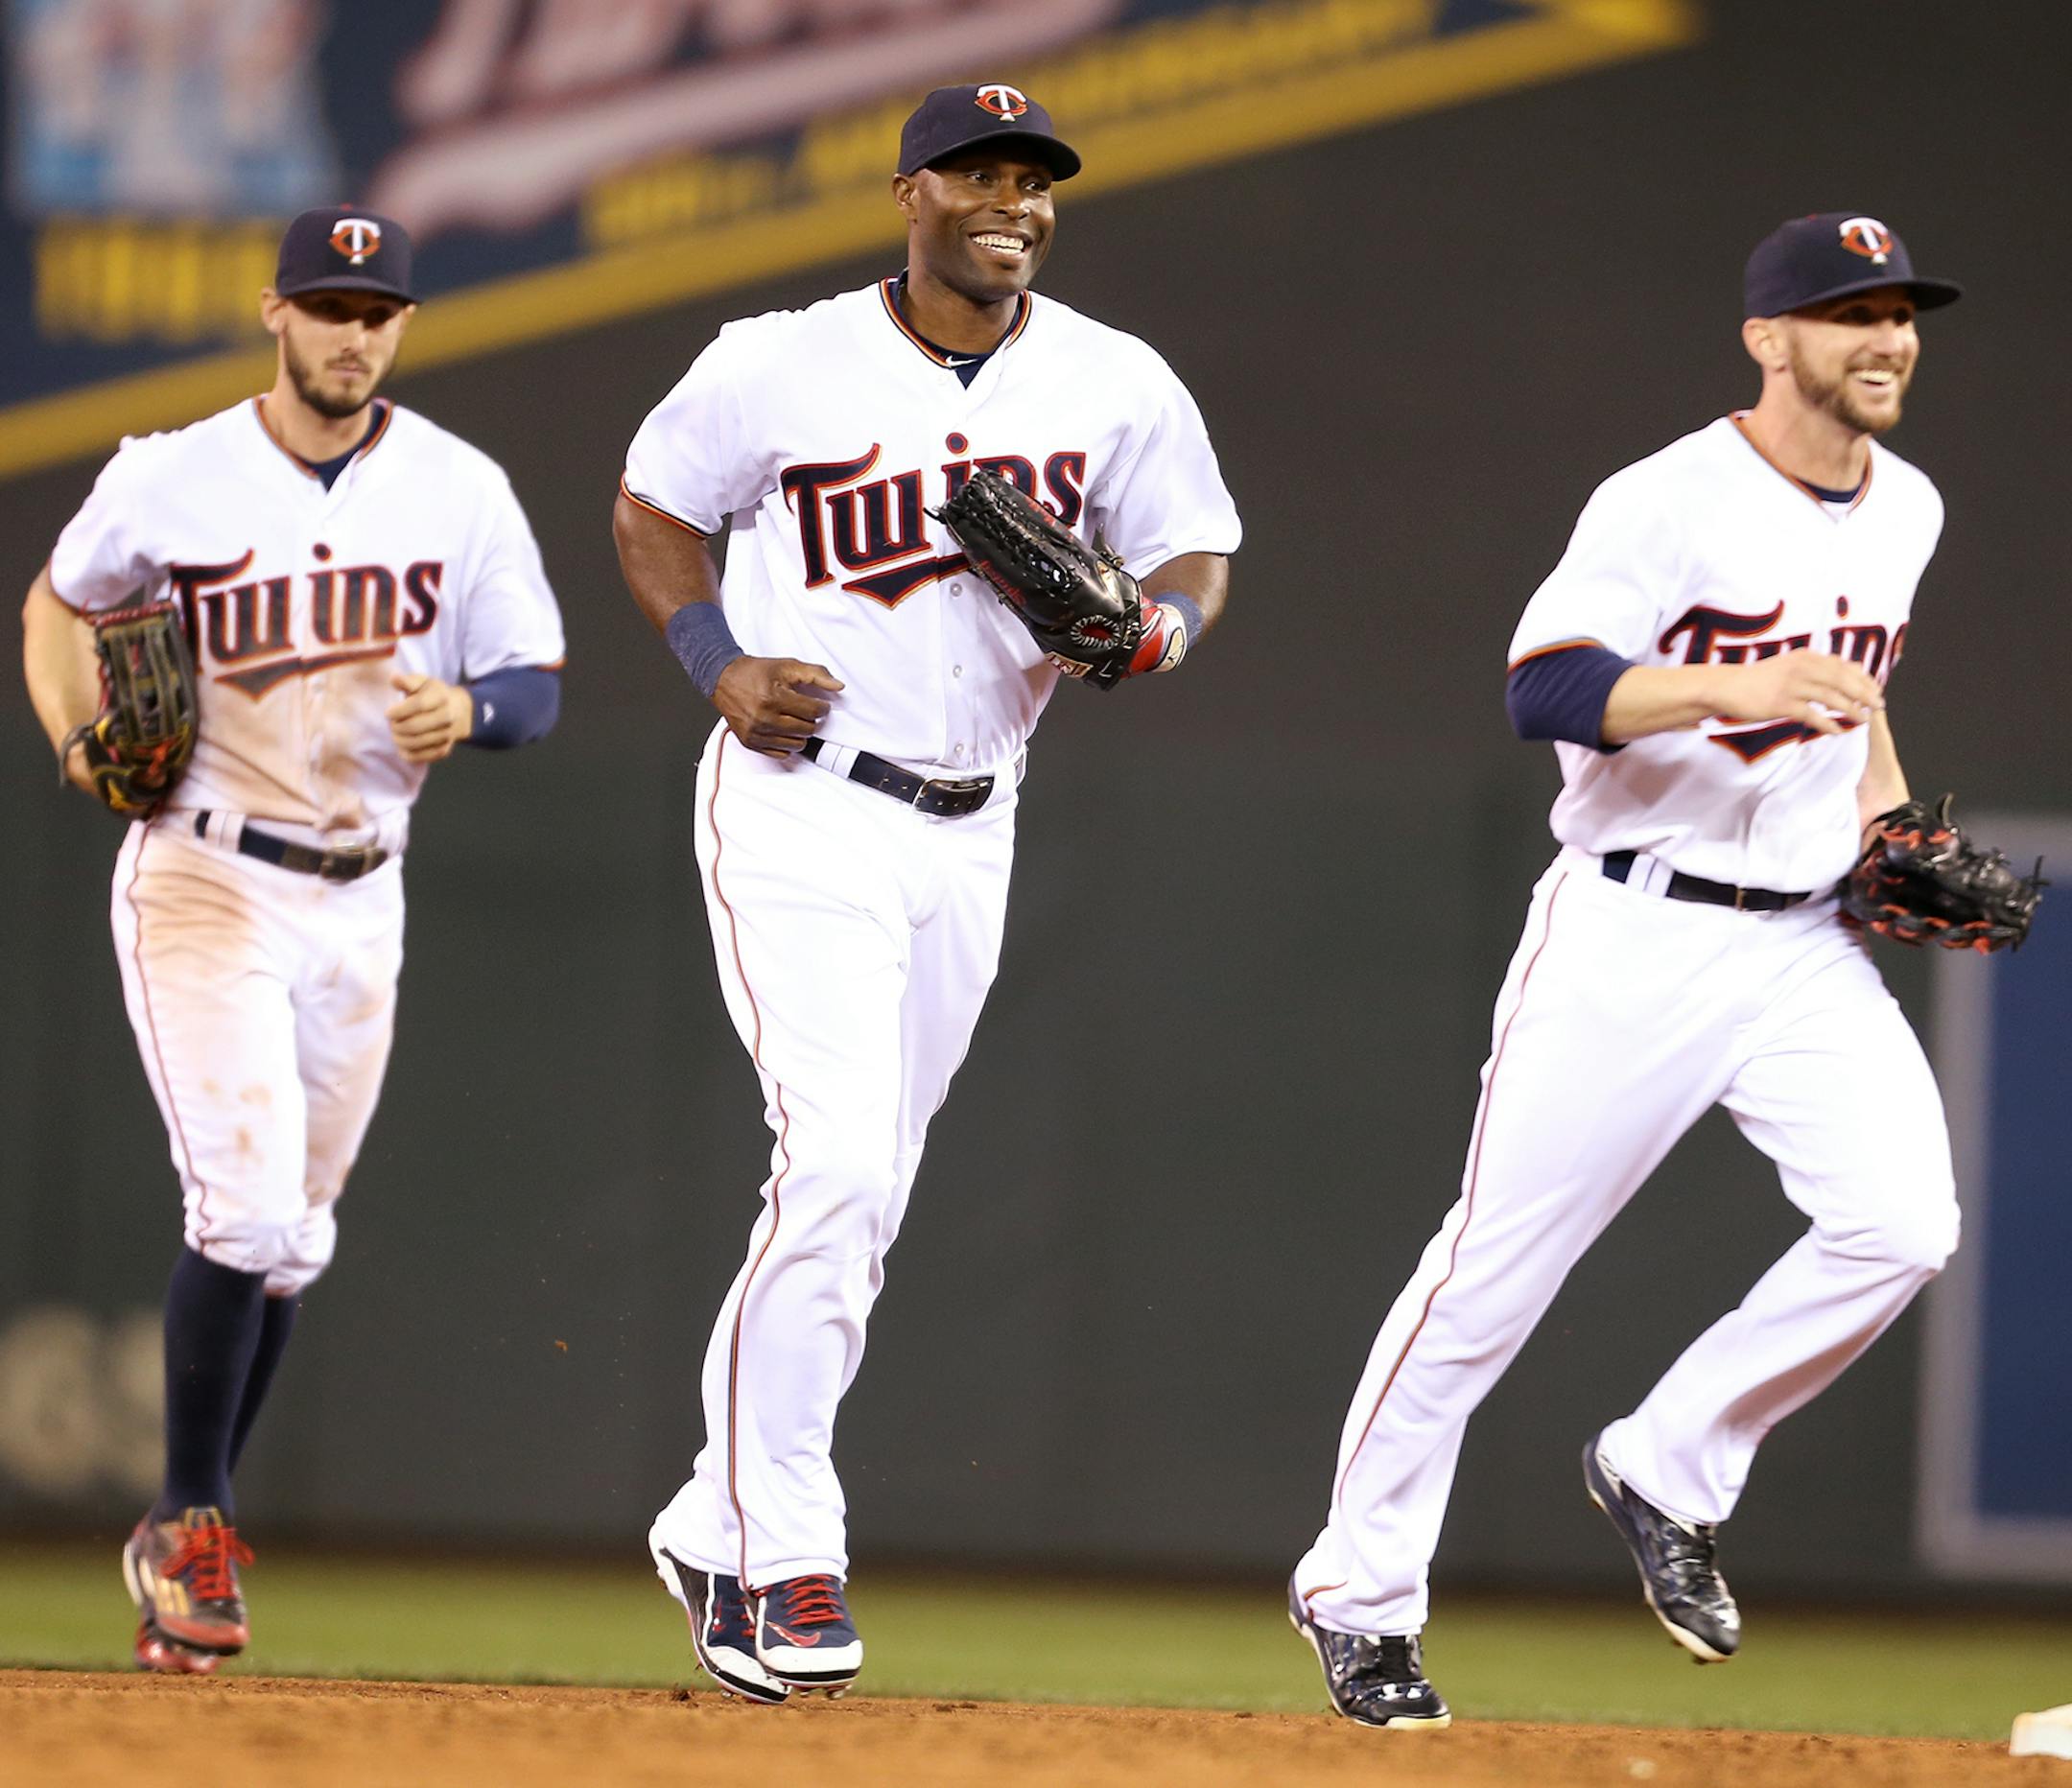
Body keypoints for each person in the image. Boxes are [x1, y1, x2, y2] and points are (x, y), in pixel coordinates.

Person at [1289, 213, 1965, 1728]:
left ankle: (1668, 1464)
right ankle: (1360, 1599)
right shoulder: (1667, 496)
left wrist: (1887, 819)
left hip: (1802, 939)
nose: (1889, 340)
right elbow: (1548, 686)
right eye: (1852, 314)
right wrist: (1739, 686)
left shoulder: (1909, 506)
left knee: (1903, 1224)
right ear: (1768, 338)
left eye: (1903, 315)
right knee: (1485, 1284)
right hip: (1631, 928)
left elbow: (1860, 715)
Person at [614, 82, 1240, 1703]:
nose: (1012, 199)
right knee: (827, 1165)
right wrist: (716, 659)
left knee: (867, 1195)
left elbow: (1192, 557)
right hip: (802, 805)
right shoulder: (781, 358)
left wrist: (1159, 632)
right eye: (979, 171)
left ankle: (710, 1511)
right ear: (911, 192)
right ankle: (782, 1552)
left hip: (975, 822)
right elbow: (654, 506)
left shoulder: (1116, 377)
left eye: (1035, 178)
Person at [19, 205, 566, 1675]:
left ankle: (189, 1520)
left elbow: (536, 677)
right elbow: (62, 606)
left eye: (375, 310)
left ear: (399, 327)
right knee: (248, 1216)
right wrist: (79, 734)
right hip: (205, 876)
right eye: (327, 306)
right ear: (275, 313)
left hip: (361, 891)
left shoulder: (458, 489)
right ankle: (192, 1514)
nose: (352, 332)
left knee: (294, 1246)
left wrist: (482, 713)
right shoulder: (171, 475)